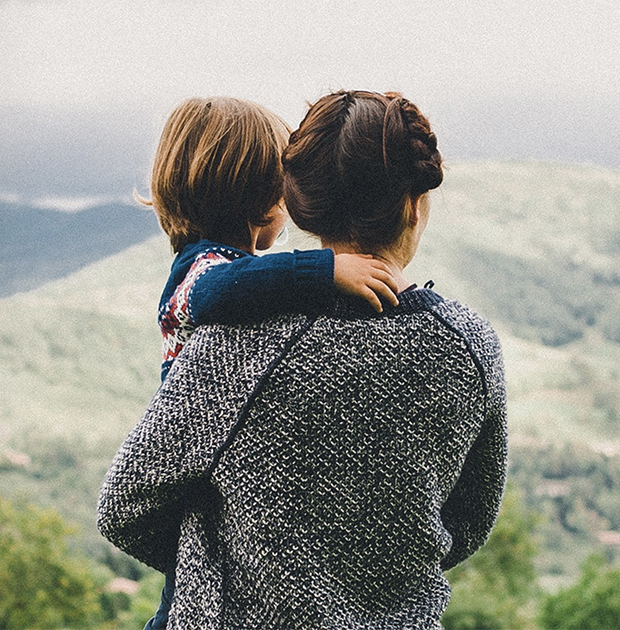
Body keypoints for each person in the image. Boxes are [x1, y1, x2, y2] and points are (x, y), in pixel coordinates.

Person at [98, 90, 507, 629]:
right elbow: (469, 521)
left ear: (298, 204)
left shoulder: (236, 343)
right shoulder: (469, 348)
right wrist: (378, 574)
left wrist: (223, 572)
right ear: (414, 204)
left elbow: (125, 507)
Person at [137, 96, 400, 629]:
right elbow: (218, 292)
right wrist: (325, 269)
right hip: (198, 474)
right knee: (181, 605)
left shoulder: (230, 269)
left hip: (215, 474)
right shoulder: (204, 270)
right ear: (260, 200)